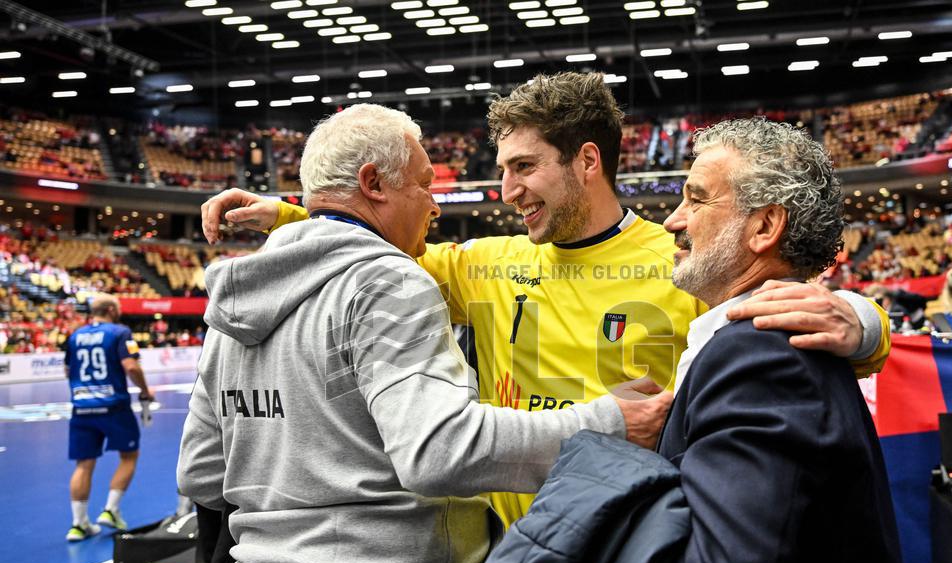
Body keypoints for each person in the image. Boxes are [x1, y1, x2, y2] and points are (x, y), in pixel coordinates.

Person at [200, 72, 890, 528]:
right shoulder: (484, 263)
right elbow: (370, 242)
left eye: (524, 167)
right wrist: (293, 214)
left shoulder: (683, 266)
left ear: (587, 162)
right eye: (502, 170)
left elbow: (798, 326)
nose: (506, 190)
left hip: (629, 541)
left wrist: (862, 322)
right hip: (505, 549)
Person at [177, 103, 670, 563]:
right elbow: (437, 447)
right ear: (373, 183)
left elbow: (201, 472)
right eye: (424, 185)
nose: (439, 203)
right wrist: (608, 423)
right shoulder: (438, 271)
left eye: (524, 167)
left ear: (587, 161)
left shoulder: (237, 298)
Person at [657, 118, 920, 563]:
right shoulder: (760, 340)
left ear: (765, 226)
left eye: (696, 199)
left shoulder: (762, 353)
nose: (672, 220)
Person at [64, 293, 154, 541]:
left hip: (81, 408)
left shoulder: (75, 336)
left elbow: (68, 370)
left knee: (84, 464)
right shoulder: (120, 332)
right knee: (129, 456)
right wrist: (146, 391)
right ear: (112, 309)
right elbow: (132, 366)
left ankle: (78, 524)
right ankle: (111, 509)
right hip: (114, 407)